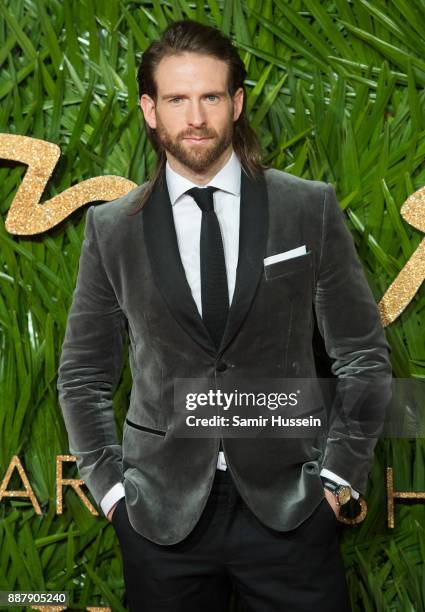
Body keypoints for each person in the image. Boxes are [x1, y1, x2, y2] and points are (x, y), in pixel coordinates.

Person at [57, 18, 392, 612]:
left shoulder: (306, 207)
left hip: (291, 510)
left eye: (210, 96)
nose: (195, 117)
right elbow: (83, 377)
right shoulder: (113, 229)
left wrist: (336, 483)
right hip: (160, 520)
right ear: (149, 110)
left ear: (236, 103)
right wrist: (112, 495)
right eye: (176, 99)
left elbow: (362, 358)